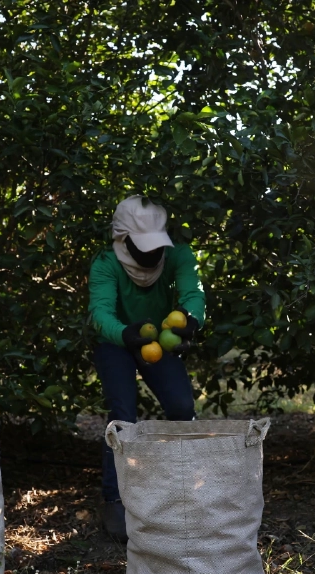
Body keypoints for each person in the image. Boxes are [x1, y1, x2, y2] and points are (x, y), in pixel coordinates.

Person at [88, 195, 205, 542]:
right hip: (117, 341)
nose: (152, 253)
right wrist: (125, 333)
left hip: (157, 338)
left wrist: (191, 321)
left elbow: (193, 293)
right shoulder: (106, 264)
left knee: (183, 407)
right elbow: (101, 312)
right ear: (123, 239)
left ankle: (189, 486)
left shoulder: (179, 256)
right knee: (122, 415)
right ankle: (114, 499)